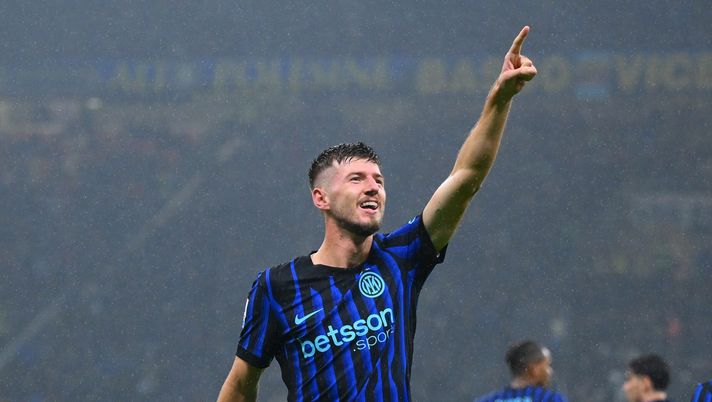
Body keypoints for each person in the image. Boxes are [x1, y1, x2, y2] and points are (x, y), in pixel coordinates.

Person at [217, 25, 537, 402]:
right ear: (321, 198)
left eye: (379, 180)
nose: (373, 188)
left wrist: (500, 98)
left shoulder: (401, 258)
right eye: (357, 179)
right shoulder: (276, 287)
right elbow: (241, 386)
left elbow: (467, 178)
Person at [474, 340, 568, 402]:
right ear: (534, 369)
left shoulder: (488, 400)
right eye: (547, 365)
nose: (550, 371)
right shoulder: (549, 399)